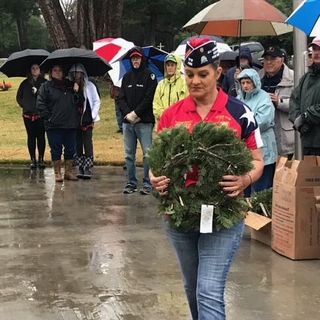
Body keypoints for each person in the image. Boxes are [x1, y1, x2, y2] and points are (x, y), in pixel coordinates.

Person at [150, 38, 264, 320]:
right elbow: (155, 161)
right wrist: (155, 178)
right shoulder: (170, 115)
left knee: (209, 290)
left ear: (217, 72)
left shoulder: (239, 113)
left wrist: (244, 180)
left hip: (224, 214)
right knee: (192, 288)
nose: (195, 81)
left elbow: (258, 160)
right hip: (180, 217)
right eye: (189, 75)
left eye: (203, 74)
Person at [118, 47, 157, 195]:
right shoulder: (126, 77)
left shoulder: (150, 76)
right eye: (133, 58)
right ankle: (131, 183)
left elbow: (149, 98)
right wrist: (128, 114)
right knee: (129, 155)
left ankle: (147, 183)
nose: (135, 61)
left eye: (138, 58)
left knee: (148, 154)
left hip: (144, 121)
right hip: (128, 123)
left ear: (142, 59)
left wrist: (136, 113)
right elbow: (121, 98)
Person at [37, 64, 81, 183]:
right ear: (51, 72)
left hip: (70, 124)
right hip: (53, 125)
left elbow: (79, 103)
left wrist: (77, 91)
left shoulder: (71, 86)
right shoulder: (45, 87)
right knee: (56, 149)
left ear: (63, 72)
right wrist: (49, 118)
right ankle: (57, 173)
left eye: (60, 70)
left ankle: (68, 172)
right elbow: (40, 104)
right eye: (55, 70)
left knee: (71, 149)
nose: (57, 72)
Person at [237, 68, 277, 195]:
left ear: (255, 82)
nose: (245, 86)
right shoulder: (239, 98)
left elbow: (264, 120)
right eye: (243, 83)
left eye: (248, 82)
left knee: (263, 188)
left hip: (263, 147)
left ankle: (263, 213)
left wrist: (244, 128)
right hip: (245, 150)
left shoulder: (264, 97)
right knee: (246, 185)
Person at [259, 46, 294, 158]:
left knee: (286, 174)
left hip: (286, 139)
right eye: (266, 59)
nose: (269, 62)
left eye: (273, 59)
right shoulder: (257, 78)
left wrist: (279, 102)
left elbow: (300, 104)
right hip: (263, 140)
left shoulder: (294, 77)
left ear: (282, 60)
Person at [68, 63, 101, 179]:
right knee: (77, 143)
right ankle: (80, 166)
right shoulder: (70, 87)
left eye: (79, 73)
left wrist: (93, 115)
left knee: (87, 143)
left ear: (83, 74)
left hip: (87, 118)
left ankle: (88, 167)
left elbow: (96, 101)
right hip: (75, 119)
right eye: (75, 74)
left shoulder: (90, 86)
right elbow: (70, 102)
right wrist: (74, 91)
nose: (77, 76)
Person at [289, 36, 320, 156]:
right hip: (308, 142)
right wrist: (300, 123)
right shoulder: (306, 78)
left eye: (319, 49)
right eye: (314, 49)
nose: (316, 53)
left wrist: (306, 116)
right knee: (309, 175)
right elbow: (294, 101)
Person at [16, 64, 47, 169]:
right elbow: (19, 97)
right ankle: (33, 159)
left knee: (41, 137)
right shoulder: (25, 83)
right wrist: (25, 105)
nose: (35, 70)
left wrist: (38, 92)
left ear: (40, 70)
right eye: (32, 68)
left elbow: (48, 97)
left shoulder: (44, 83)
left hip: (40, 115)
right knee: (31, 137)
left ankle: (41, 159)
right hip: (28, 115)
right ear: (30, 70)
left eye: (37, 68)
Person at [153, 53, 188, 120]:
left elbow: (185, 102)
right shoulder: (160, 84)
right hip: (163, 124)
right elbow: (156, 104)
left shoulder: (184, 82)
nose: (170, 67)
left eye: (172, 65)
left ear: (177, 66)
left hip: (179, 123)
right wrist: (165, 117)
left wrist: (174, 117)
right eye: (168, 65)